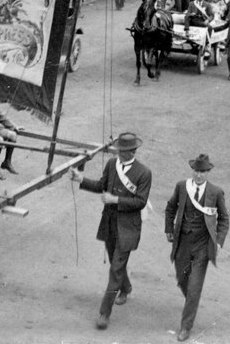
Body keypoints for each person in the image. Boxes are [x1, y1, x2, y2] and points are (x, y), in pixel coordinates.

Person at [70, 132, 152, 331]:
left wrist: (116, 200)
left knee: (115, 268)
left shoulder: (144, 173)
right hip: (109, 223)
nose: (120, 154)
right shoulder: (111, 164)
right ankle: (126, 288)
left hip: (127, 227)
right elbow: (101, 186)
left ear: (133, 151)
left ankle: (104, 313)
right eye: (119, 150)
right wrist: (81, 179)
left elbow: (140, 202)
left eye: (124, 151)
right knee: (116, 262)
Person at [164, 153, 230, 342]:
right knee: (181, 279)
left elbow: (224, 218)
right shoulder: (182, 187)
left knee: (194, 288)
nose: (199, 175)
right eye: (196, 171)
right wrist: (168, 228)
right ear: (192, 170)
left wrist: (218, 241)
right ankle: (191, 302)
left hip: (202, 245)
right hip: (182, 242)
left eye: (203, 172)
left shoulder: (216, 192)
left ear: (208, 172)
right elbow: (170, 208)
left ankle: (186, 327)